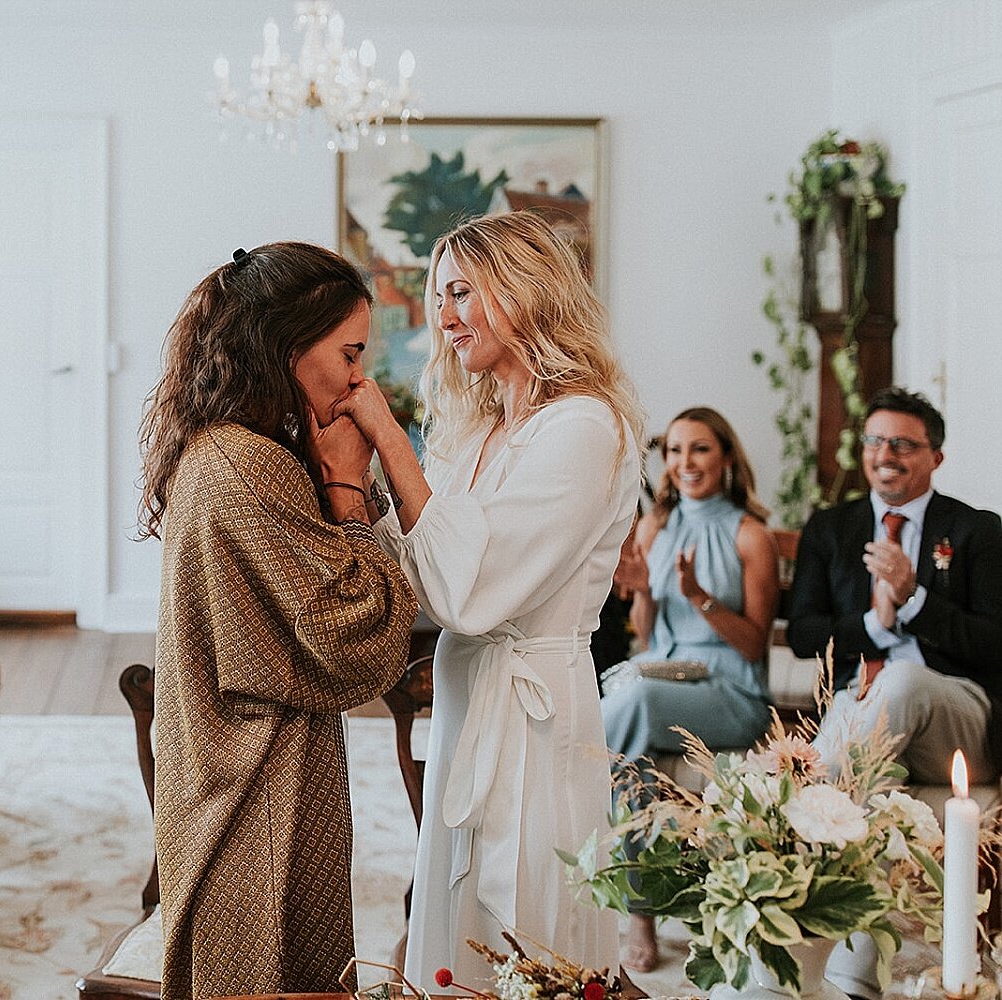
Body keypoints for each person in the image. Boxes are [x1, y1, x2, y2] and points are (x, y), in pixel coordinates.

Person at [335, 211, 644, 984]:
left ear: (526, 292)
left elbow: (475, 591)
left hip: (535, 706)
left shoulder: (584, 427)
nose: (443, 317)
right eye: (440, 296)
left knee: (528, 908)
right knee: (457, 902)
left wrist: (386, 437)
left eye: (463, 292)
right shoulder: (473, 428)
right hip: (468, 691)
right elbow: (420, 567)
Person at [140, 242, 418, 1000]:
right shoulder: (247, 465)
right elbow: (361, 643)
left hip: (244, 783)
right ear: (289, 347)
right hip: (255, 801)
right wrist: (346, 483)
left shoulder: (228, 449)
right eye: (350, 353)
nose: (360, 379)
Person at [787, 386, 1002, 1000]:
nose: (885, 454)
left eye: (903, 444)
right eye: (875, 441)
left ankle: (793, 836)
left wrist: (914, 600)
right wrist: (875, 627)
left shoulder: (977, 531)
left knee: (900, 683)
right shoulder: (832, 527)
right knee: (869, 791)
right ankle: (851, 976)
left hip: (960, 716)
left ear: (934, 456)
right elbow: (804, 634)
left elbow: (994, 642)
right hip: (867, 705)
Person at [599, 407, 778, 972]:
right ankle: (645, 910)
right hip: (661, 676)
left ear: (725, 456)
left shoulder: (752, 535)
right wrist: (643, 591)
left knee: (626, 704)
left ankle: (629, 899)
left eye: (699, 449)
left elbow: (753, 645)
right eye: (674, 451)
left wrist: (700, 596)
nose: (684, 463)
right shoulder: (654, 527)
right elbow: (648, 636)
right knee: (635, 752)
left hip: (729, 688)